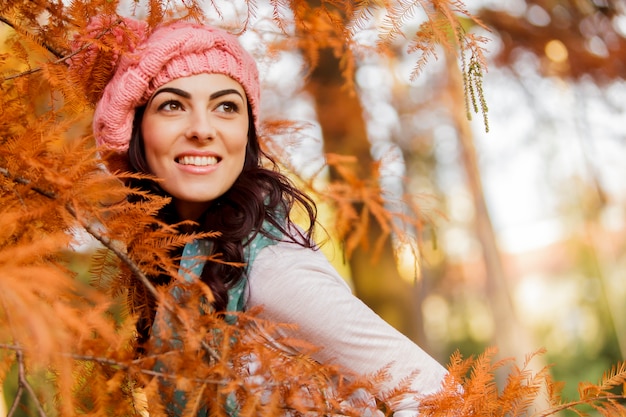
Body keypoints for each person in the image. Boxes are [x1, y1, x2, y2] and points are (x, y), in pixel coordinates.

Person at [90, 17, 448, 416]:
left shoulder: (270, 267)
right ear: (136, 130)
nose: (202, 129)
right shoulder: (182, 266)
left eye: (226, 106)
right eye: (173, 105)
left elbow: (441, 395)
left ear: (247, 134)